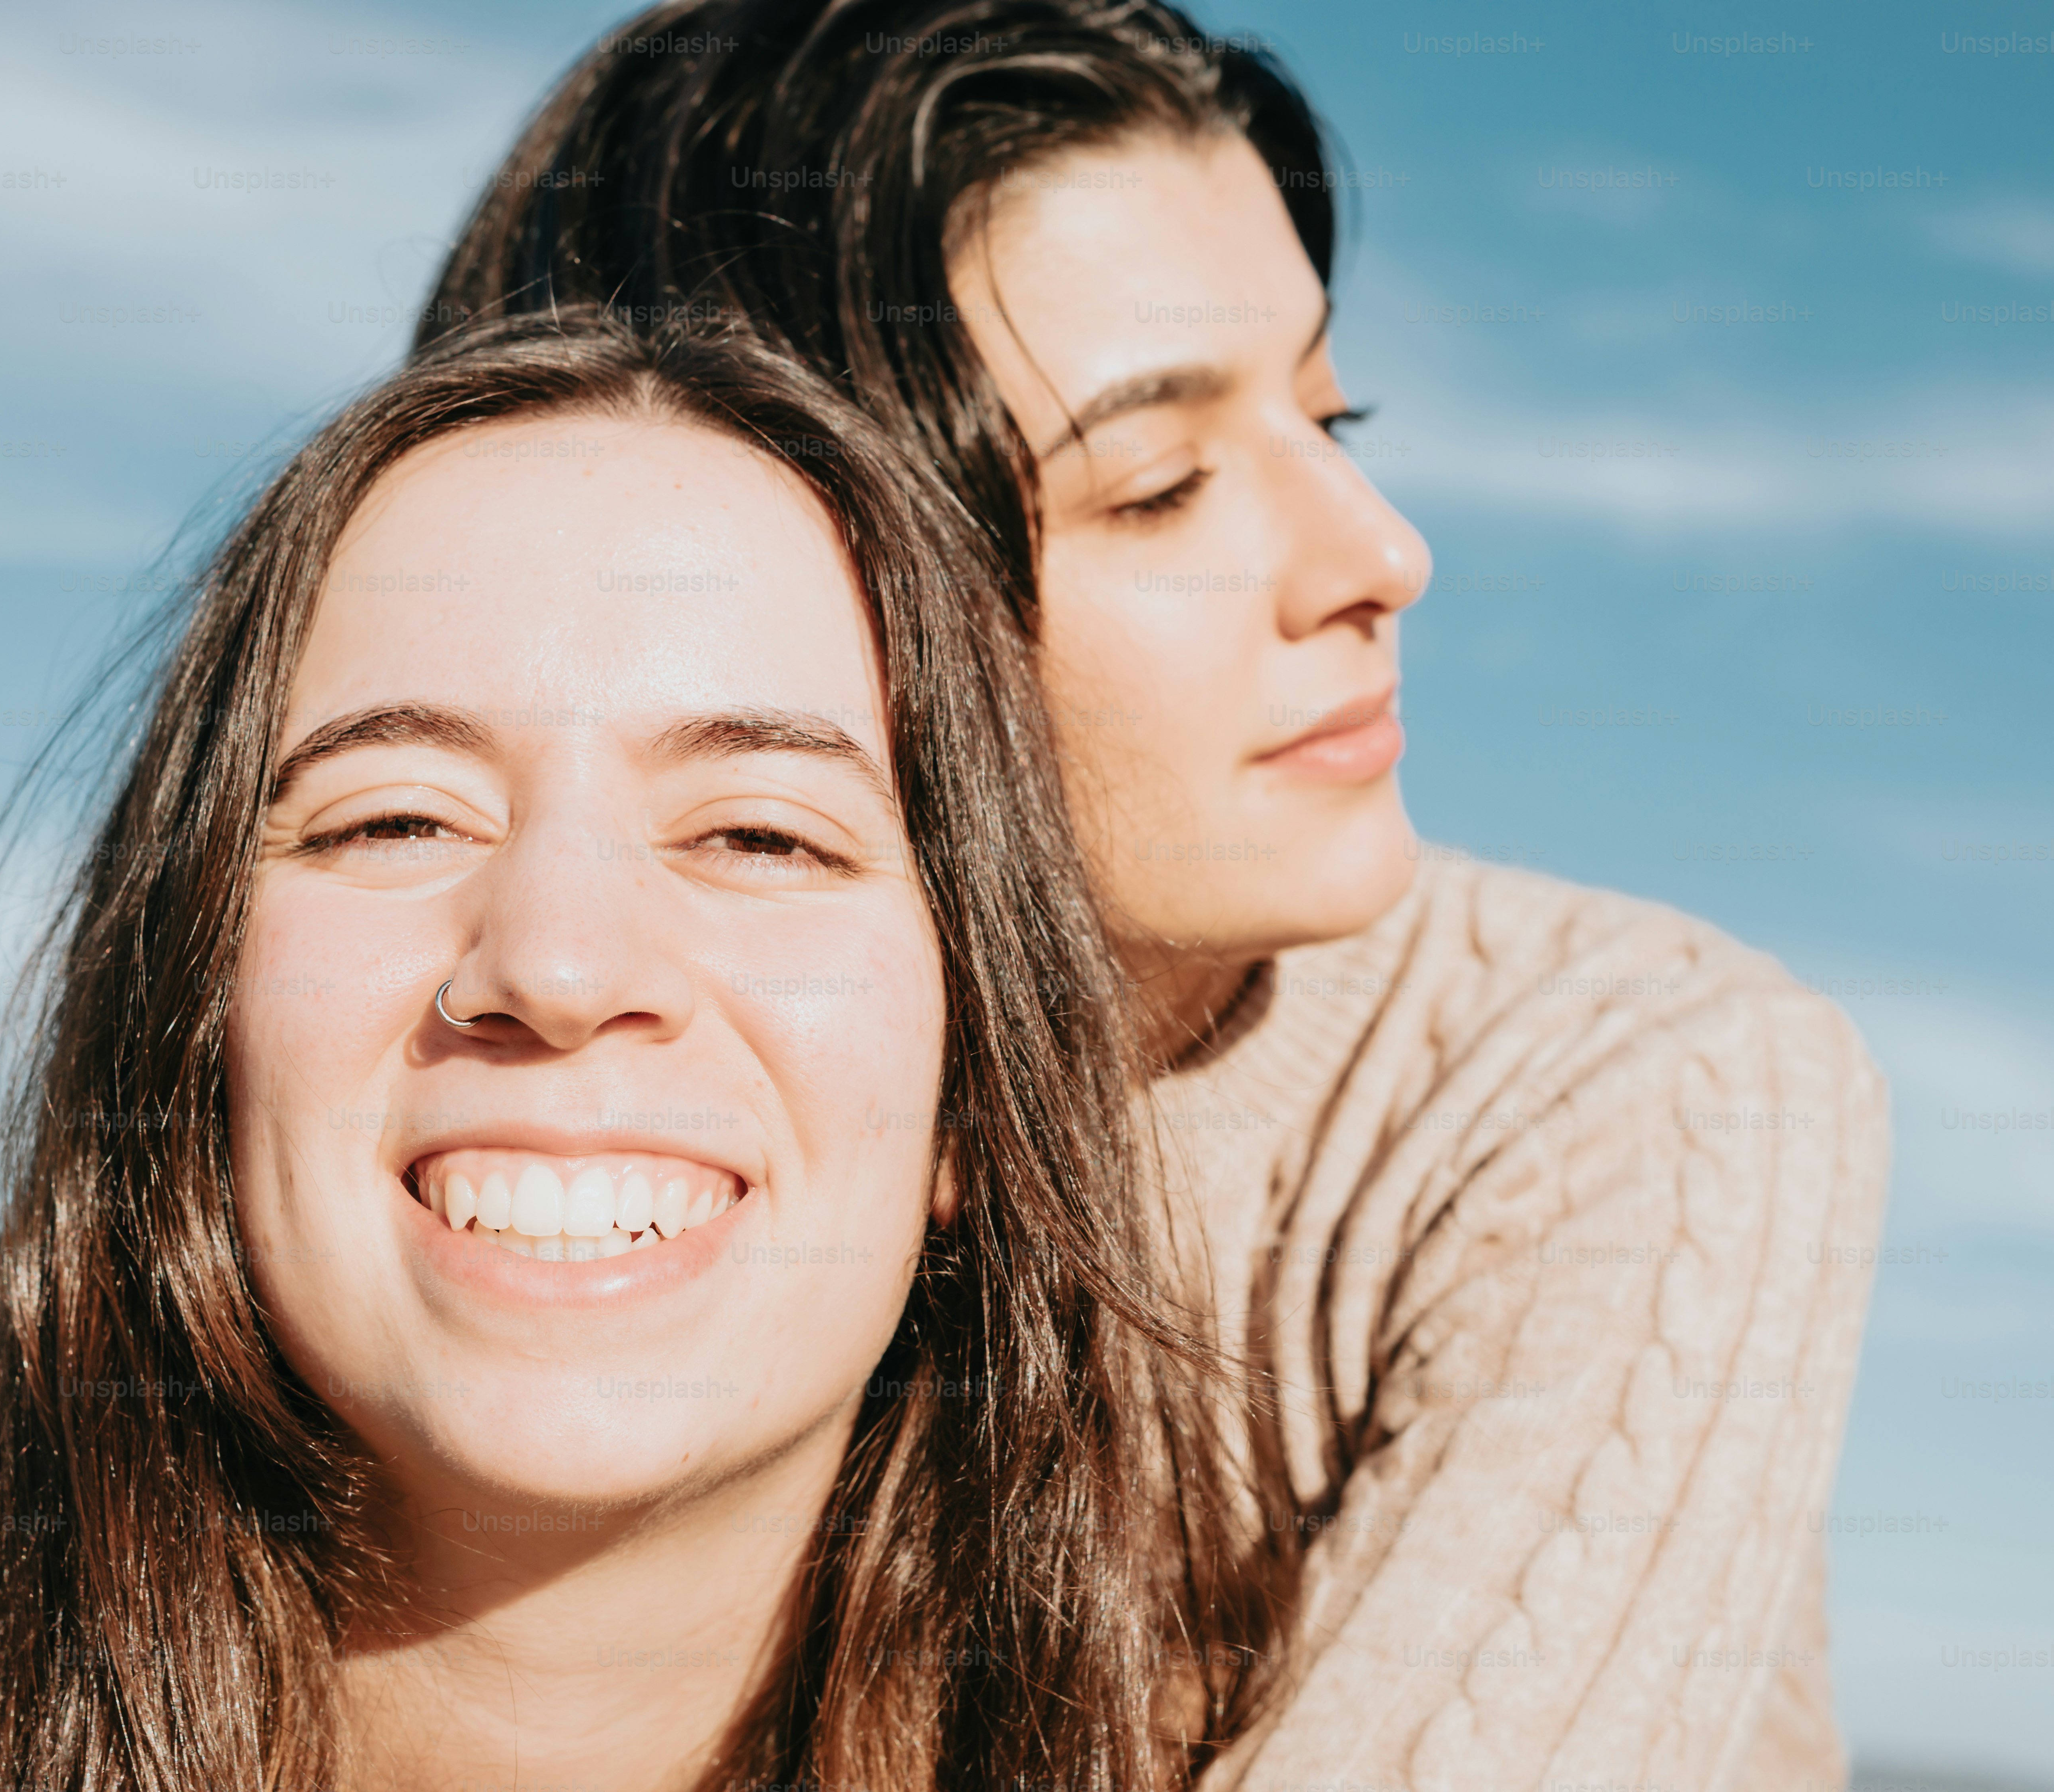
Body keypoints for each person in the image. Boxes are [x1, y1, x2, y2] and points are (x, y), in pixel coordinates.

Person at [422, 5, 1894, 1787]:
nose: (1382, 554)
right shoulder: (534, 1118)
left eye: (1336, 414)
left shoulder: (1621, 1082)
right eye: (1163, 484)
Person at [0, 321, 1285, 1789]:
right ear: (191, 1009)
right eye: (394, 817)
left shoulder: (1229, 1722)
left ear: (974, 1084)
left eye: (759, 833)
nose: (556, 964)